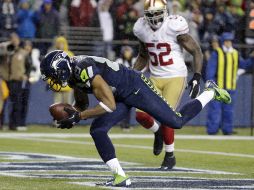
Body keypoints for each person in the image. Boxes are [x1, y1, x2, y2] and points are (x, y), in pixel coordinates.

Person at [40, 50, 231, 187]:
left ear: (61, 68)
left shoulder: (84, 68)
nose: (51, 80)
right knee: (97, 130)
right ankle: (120, 177)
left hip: (136, 87)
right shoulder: (74, 75)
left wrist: (79, 116)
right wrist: (72, 115)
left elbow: (108, 105)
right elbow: (81, 105)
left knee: (175, 121)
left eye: (51, 75)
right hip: (119, 94)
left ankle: (210, 92)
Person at [133, 0, 203, 170]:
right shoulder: (141, 28)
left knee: (167, 117)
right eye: (150, 15)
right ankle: (157, 132)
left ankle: (170, 155)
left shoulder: (174, 26)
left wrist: (197, 76)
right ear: (145, 15)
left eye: (157, 14)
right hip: (155, 77)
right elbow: (143, 55)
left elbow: (196, 51)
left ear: (165, 12)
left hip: (175, 76)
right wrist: (131, 74)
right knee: (140, 115)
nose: (154, 18)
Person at [206, 32, 254, 135]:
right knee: (215, 110)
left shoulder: (235, 53)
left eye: (230, 41)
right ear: (223, 41)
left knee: (229, 110)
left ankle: (227, 130)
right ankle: (212, 130)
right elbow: (210, 70)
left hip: (231, 87)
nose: (229, 43)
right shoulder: (217, 53)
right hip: (218, 88)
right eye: (227, 41)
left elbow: (244, 65)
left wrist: (252, 58)